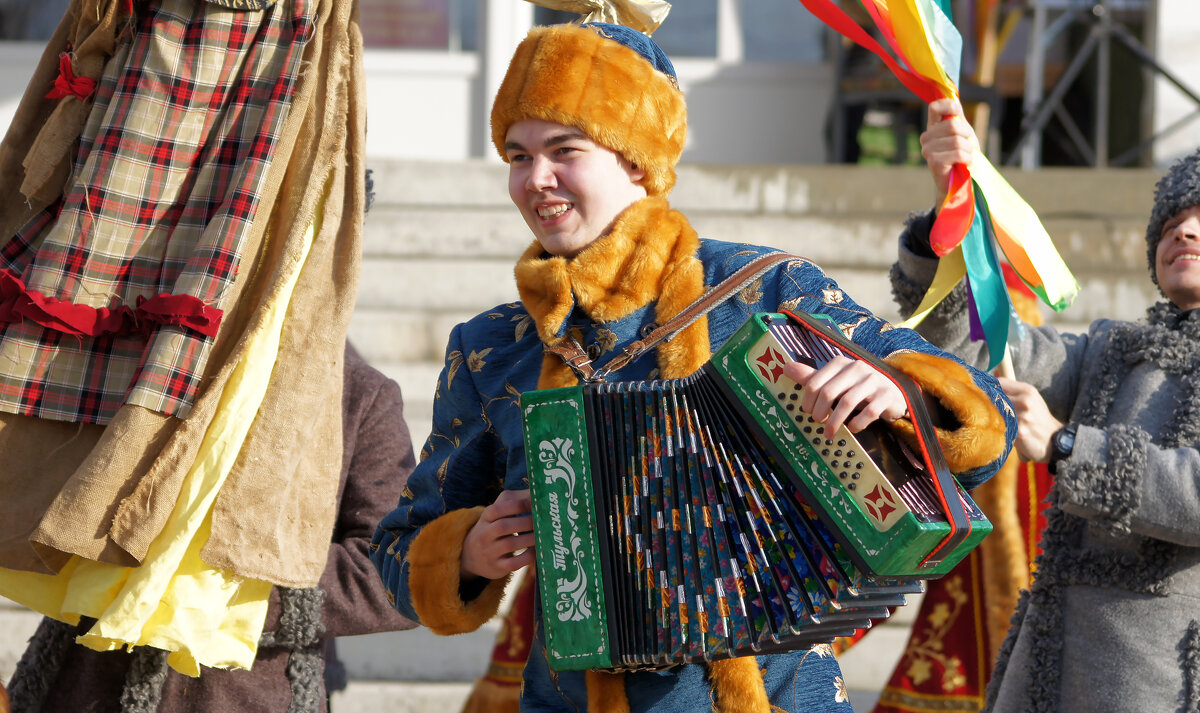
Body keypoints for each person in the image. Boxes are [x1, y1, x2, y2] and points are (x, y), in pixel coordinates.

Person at [372, 22, 1015, 713]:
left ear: (636, 161)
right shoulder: (493, 346)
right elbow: (397, 549)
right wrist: (466, 552)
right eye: (518, 156)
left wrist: (903, 391)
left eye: (564, 150)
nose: (537, 180)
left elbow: (987, 425)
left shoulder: (766, 289)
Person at [891, 96, 1200, 713]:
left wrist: (1065, 447)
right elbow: (969, 352)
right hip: (1044, 669)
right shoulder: (1109, 350)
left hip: (1159, 682)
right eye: (1170, 225)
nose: (1183, 232)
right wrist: (949, 215)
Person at [5, 343, 417, 713]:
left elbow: (396, 574)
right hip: (83, 681)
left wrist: (225, 589)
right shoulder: (144, 351)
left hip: (248, 694)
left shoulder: (358, 394)